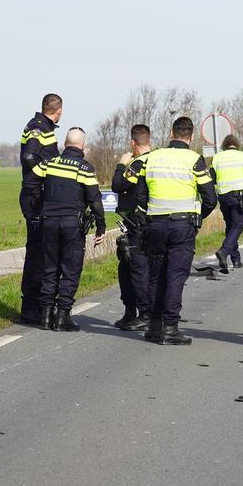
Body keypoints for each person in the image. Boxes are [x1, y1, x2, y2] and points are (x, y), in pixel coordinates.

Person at [136, 116, 218, 345]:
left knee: (155, 275)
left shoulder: (152, 158)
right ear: (191, 136)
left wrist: (149, 213)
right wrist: (198, 215)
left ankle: (153, 326)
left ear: (172, 133)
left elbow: (141, 195)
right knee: (175, 276)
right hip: (182, 226)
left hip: (155, 225)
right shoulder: (195, 160)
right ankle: (170, 328)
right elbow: (210, 197)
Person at [22, 127, 106, 331]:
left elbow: (29, 182)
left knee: (49, 268)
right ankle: (62, 317)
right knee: (70, 269)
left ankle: (45, 316)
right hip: (72, 225)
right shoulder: (84, 169)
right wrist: (100, 227)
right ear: (83, 147)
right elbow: (95, 200)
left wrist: (41, 203)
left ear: (64, 145)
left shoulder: (49, 164)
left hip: (48, 222)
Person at [18, 94, 62, 324]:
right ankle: (30, 308)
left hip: (40, 198)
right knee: (37, 253)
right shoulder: (38, 128)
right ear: (59, 110)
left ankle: (40, 305)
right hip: (35, 199)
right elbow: (29, 157)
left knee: (44, 252)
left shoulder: (46, 128)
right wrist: (42, 180)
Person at [109, 124, 153, 331]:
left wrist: (121, 164)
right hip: (144, 223)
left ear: (133, 144)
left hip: (138, 224)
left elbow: (118, 185)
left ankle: (143, 314)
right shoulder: (155, 159)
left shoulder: (138, 163)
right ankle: (131, 313)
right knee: (128, 268)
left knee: (136, 269)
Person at [211, 134, 243, 273]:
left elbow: (213, 178)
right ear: (236, 144)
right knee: (238, 225)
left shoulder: (216, 158)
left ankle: (236, 260)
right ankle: (224, 251)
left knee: (230, 226)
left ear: (224, 145)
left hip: (224, 196)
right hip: (237, 196)